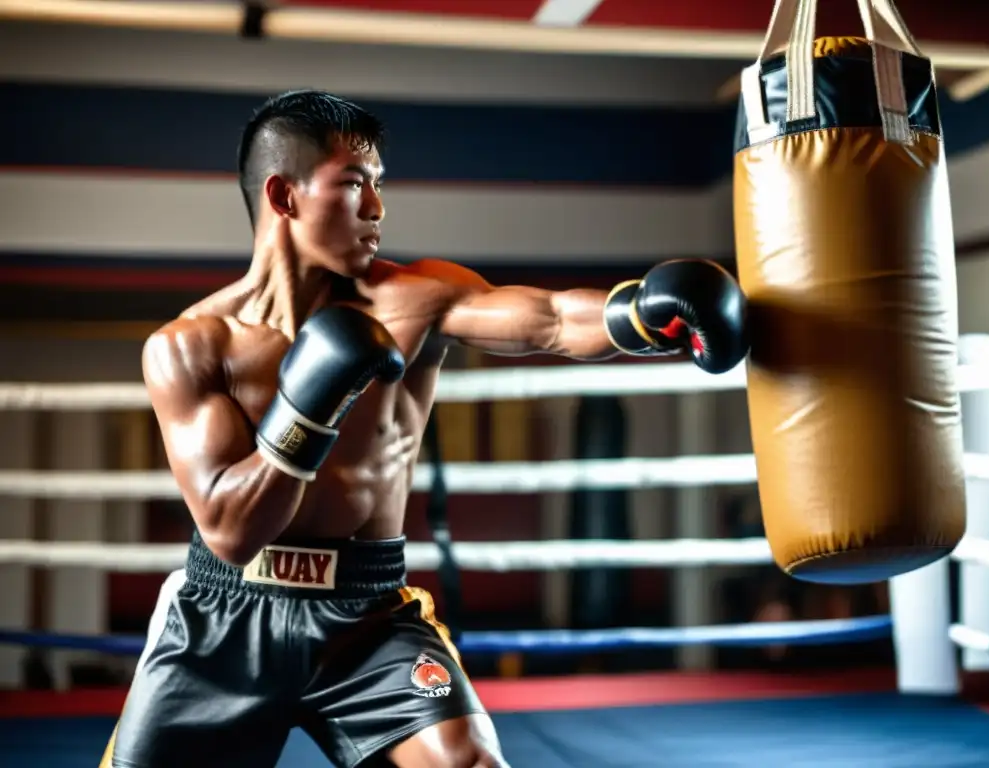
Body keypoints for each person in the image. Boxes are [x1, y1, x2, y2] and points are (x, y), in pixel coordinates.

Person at [101, 90, 748, 768]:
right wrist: (307, 408)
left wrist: (641, 315)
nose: (377, 209)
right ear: (283, 196)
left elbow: (551, 320)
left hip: (368, 617)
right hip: (225, 621)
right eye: (354, 185)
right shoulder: (190, 346)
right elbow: (232, 530)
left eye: (379, 185)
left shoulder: (413, 299)